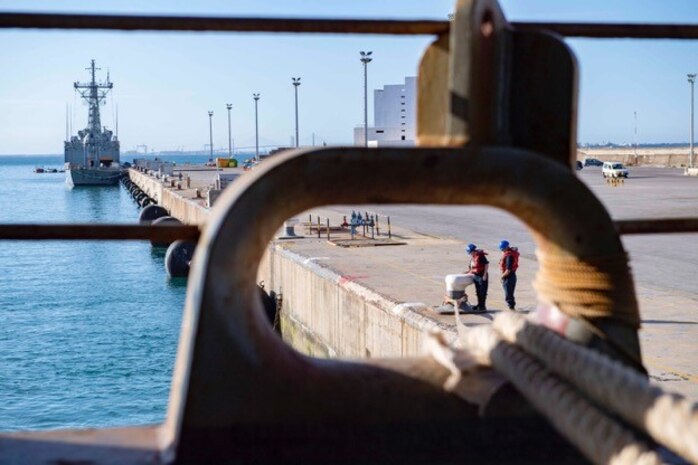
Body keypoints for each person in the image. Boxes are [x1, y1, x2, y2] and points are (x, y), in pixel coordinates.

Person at [465, 243, 489, 311]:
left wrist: (484, 275)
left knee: (482, 292)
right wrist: (468, 272)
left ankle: (482, 306)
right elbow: (473, 267)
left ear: (473, 251)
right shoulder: (473, 256)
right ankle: (479, 304)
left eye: (470, 253)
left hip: (481, 275)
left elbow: (486, 265)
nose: (470, 254)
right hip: (476, 275)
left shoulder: (480, 256)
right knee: (478, 291)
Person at [498, 240, 520, 310]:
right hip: (512, 276)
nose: (502, 250)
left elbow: (508, 270)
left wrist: (501, 277)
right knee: (510, 293)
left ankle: (511, 308)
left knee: (508, 294)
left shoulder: (509, 256)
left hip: (509, 277)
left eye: (502, 249)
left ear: (505, 248)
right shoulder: (512, 252)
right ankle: (512, 306)